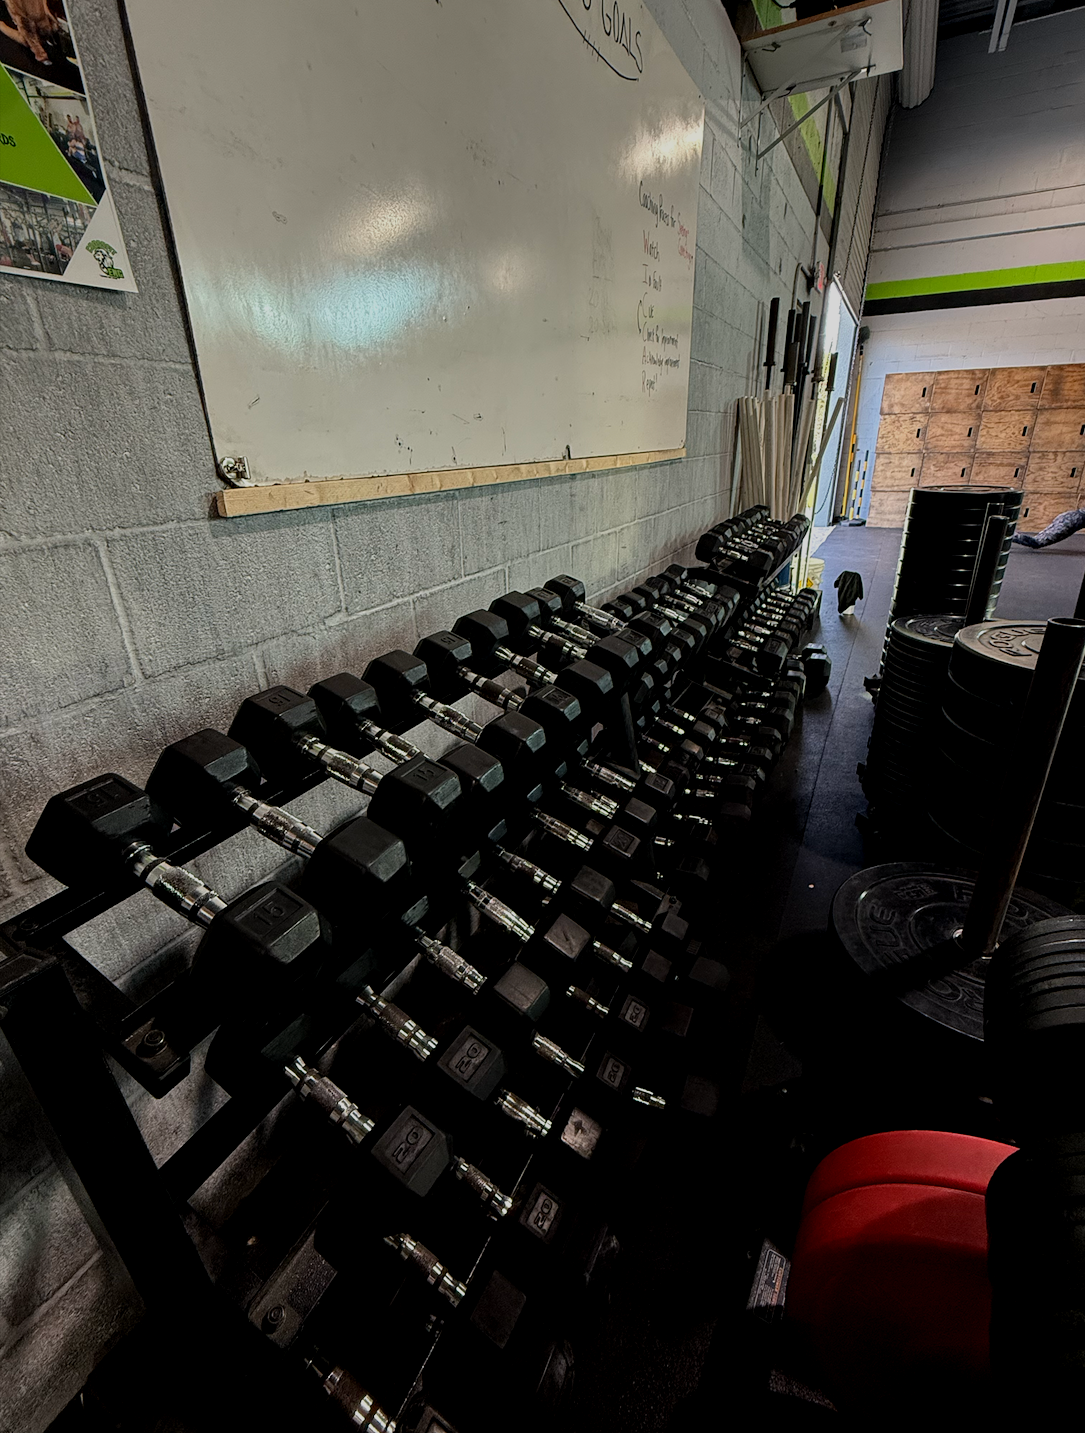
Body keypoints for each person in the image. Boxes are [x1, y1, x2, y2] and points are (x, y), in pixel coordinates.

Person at [1011, 509, 1085, 549]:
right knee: (1037, 542)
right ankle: (1008, 534)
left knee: (1037, 542)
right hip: (1072, 520)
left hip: (1072, 517)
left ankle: (1008, 534)